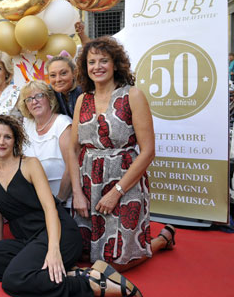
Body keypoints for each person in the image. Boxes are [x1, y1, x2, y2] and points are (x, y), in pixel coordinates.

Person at [0, 115, 142, 297]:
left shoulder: (29, 164)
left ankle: (86, 284)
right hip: (28, 240)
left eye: (7, 137)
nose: (1, 141)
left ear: (15, 141)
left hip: (58, 234)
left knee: (12, 279)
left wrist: (53, 250)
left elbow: (50, 208)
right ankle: (64, 272)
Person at [68, 36, 175, 271]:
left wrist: (116, 192)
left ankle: (160, 241)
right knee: (83, 257)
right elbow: (74, 147)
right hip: (89, 183)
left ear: (115, 64)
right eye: (91, 62)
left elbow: (147, 152)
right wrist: (76, 191)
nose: (97, 67)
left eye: (103, 60)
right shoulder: (82, 100)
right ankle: (158, 240)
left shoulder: (132, 95)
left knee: (115, 265)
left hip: (125, 183)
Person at [18, 80, 72, 207]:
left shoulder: (62, 124)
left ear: (50, 99)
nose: (34, 101)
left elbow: (71, 168)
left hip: (62, 202)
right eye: (29, 99)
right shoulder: (26, 125)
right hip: (34, 204)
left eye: (39, 96)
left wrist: (58, 201)